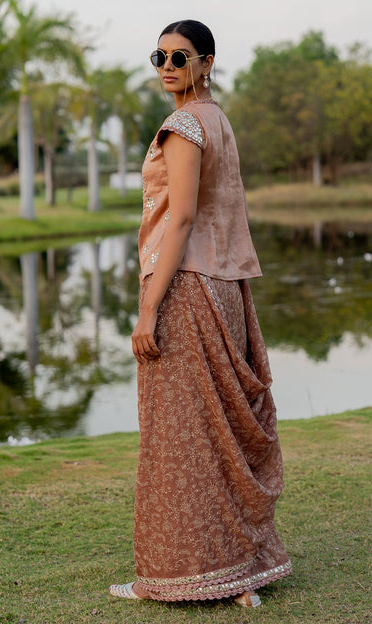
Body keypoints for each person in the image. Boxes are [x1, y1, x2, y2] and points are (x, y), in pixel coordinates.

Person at [110, 19, 292, 607]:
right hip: (227, 289)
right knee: (219, 434)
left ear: (206, 63)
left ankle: (191, 574)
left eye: (180, 57)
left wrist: (148, 310)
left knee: (182, 435)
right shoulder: (217, 119)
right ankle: (240, 573)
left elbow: (182, 218)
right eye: (159, 56)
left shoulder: (183, 125)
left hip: (188, 289)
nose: (167, 66)